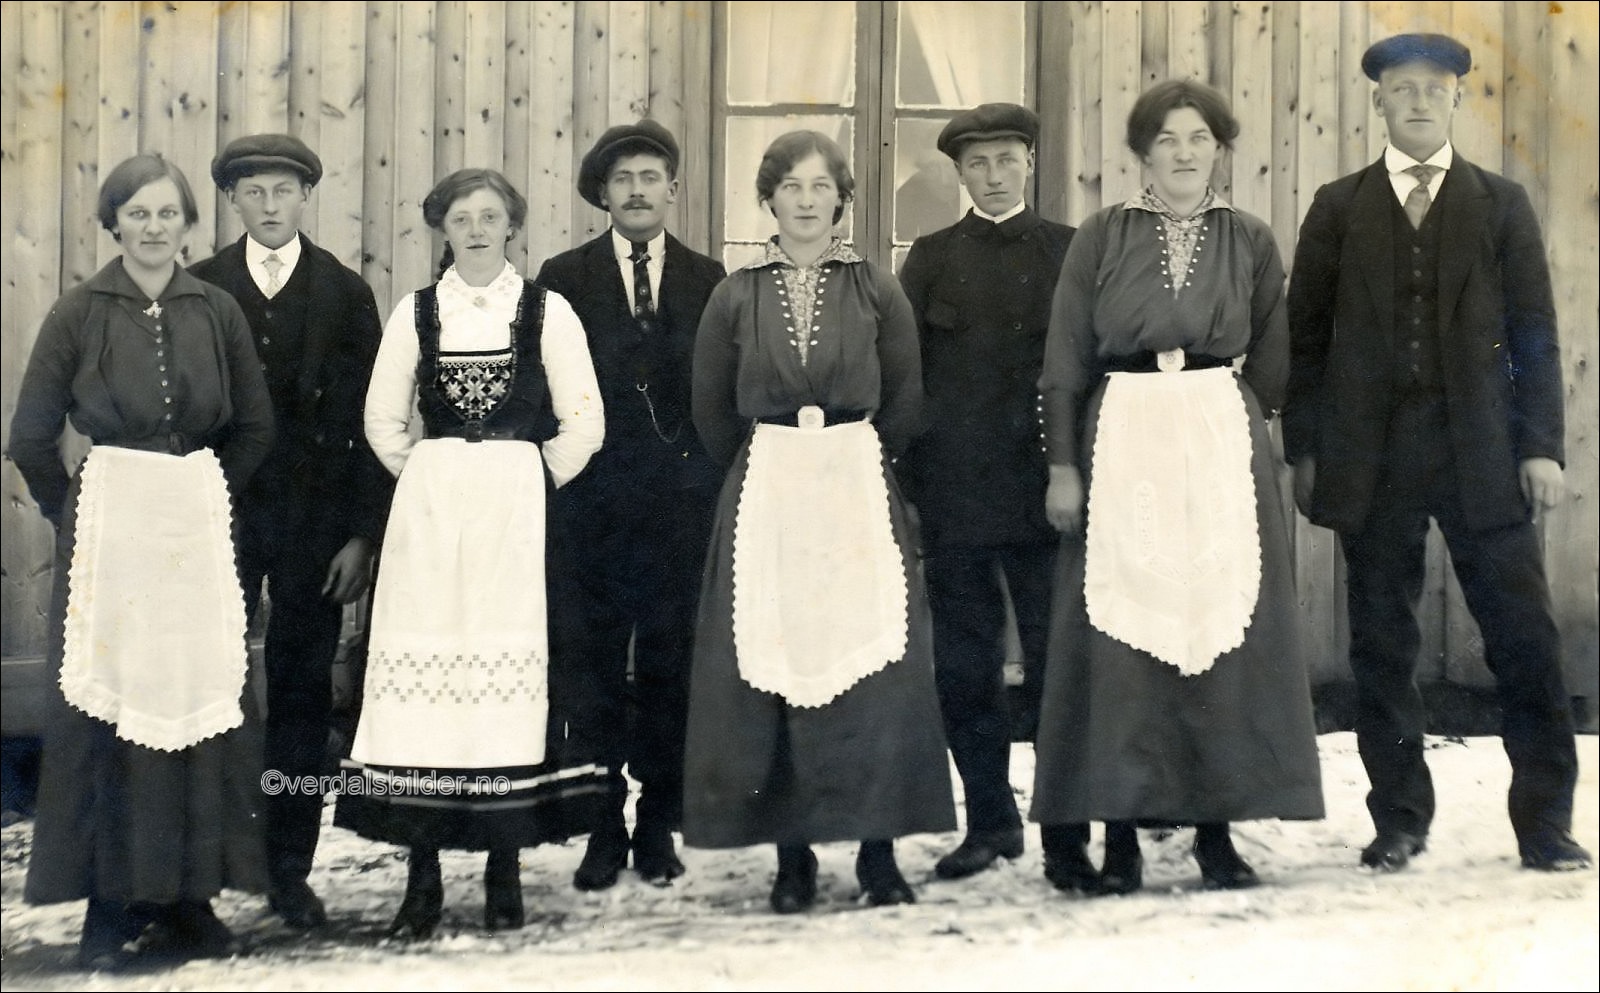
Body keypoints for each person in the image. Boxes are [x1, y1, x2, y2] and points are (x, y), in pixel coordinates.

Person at [1285, 33, 1590, 874]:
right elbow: (1304, 341)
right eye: (1401, 88)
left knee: (1525, 634)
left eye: (1434, 87)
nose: (1418, 101)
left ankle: (1546, 823)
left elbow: (1535, 333)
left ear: (1457, 98)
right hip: (1372, 457)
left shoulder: (1500, 204)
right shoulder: (1338, 206)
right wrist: (1304, 448)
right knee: (1383, 643)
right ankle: (1399, 819)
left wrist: (1540, 447)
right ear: (1378, 102)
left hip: (1482, 453)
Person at [1032, 80, 1324, 895]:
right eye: (1168, 139)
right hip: (1124, 431)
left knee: (1216, 632)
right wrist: (1064, 466)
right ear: (1143, 152)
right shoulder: (1103, 235)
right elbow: (1064, 360)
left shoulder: (1249, 238)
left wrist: (1231, 422)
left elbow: (1273, 356)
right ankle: (1120, 837)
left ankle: (1215, 834)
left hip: (1215, 437)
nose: (1185, 153)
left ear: (1220, 150)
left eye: (1200, 138)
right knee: (1121, 637)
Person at [8, 153, 275, 969]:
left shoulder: (216, 309)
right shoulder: (79, 311)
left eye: (167, 213)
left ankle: (191, 900)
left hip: (193, 531)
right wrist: (79, 512)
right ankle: (108, 907)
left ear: (187, 224)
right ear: (113, 223)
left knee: (200, 702)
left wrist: (205, 497)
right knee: (109, 711)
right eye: (137, 213)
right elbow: (31, 435)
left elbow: (255, 425)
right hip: (111, 536)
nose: (153, 228)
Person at [683, 130, 956, 914]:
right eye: (791, 187)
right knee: (776, 662)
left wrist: (853, 456)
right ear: (767, 198)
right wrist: (769, 461)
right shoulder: (735, 292)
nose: (806, 201)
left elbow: (904, 396)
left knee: (875, 666)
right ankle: (792, 856)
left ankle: (878, 853)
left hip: (854, 481)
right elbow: (711, 409)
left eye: (821, 187)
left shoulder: (876, 288)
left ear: (842, 198)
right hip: (770, 483)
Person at [334, 169, 609, 939]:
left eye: (491, 217)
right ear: (443, 229)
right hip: (430, 523)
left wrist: (529, 477)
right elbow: (383, 421)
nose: (478, 230)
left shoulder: (547, 311)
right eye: (463, 218)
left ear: (512, 226)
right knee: (429, 687)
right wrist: (433, 474)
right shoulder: (416, 312)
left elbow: (585, 421)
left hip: (516, 522)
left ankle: (502, 869)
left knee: (502, 685)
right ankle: (421, 876)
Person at [190, 133, 393, 930]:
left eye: (283, 191)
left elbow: (375, 421)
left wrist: (363, 535)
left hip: (318, 530)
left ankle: (288, 869)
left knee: (305, 696)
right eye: (254, 192)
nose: (269, 206)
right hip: (221, 521)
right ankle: (200, 875)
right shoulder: (201, 287)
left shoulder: (345, 292)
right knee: (210, 688)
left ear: (306, 196)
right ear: (232, 200)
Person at [896, 103, 1094, 888]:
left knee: (1057, 665)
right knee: (964, 666)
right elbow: (907, 380)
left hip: (1051, 496)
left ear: (1030, 163)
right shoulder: (931, 259)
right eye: (977, 163)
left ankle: (1066, 836)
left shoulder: (1071, 252)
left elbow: (1088, 372)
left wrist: (1077, 472)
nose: (994, 174)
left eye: (1007, 158)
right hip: (957, 496)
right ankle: (989, 822)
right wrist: (914, 488)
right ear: (960, 173)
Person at [537, 121, 727, 891]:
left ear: (672, 189)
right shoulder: (563, 277)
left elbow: (718, 394)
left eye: (651, 177)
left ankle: (656, 821)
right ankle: (602, 823)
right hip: (592, 510)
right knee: (591, 666)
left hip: (680, 509)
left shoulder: (709, 277)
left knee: (668, 663)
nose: (638, 191)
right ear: (603, 194)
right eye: (624, 180)